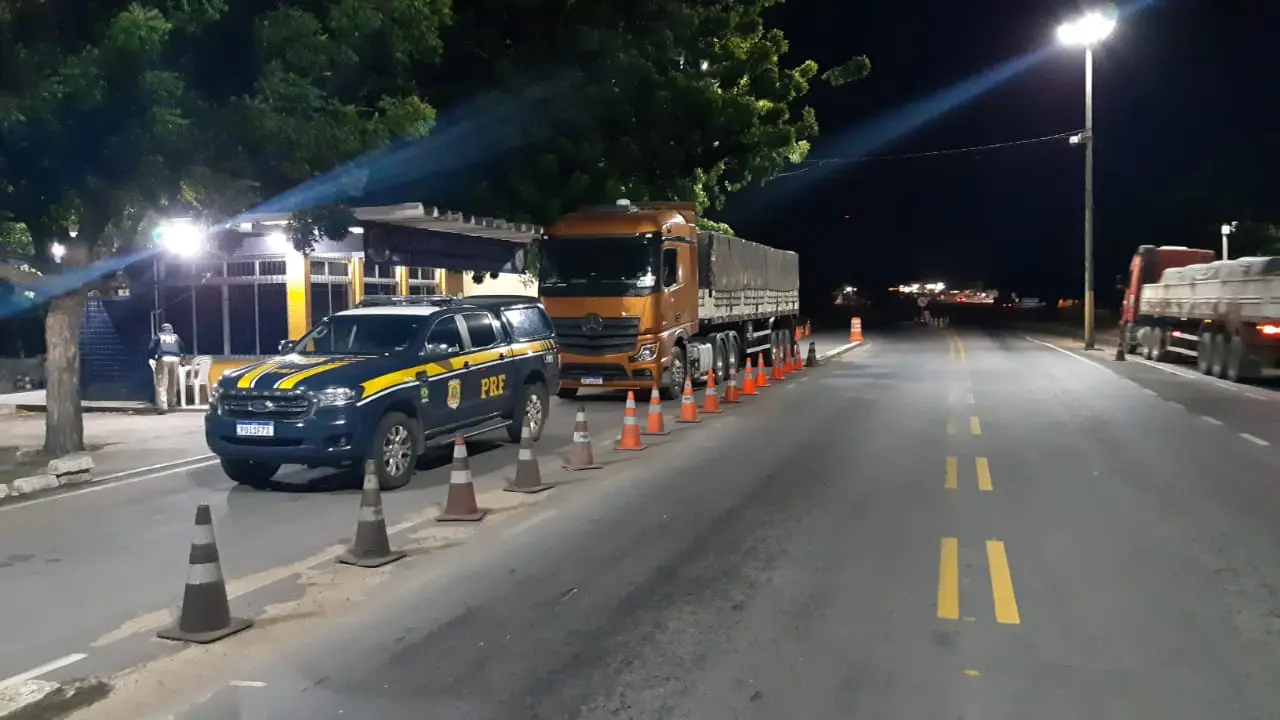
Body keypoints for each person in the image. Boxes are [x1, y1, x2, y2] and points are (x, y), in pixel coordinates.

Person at [149, 322, 184, 413]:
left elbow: (151, 347)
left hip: (163, 358)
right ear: (171, 330)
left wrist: (153, 357)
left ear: (162, 330)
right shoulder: (176, 337)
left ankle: (162, 407)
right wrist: (182, 359)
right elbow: (182, 348)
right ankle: (172, 403)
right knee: (173, 382)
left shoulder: (159, 336)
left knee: (161, 383)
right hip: (175, 359)